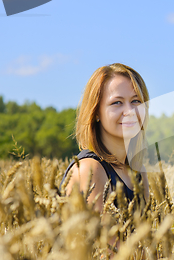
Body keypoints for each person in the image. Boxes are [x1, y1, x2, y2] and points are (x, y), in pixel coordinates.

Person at [60, 62, 150, 213]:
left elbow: (148, 231)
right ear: (96, 113)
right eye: (117, 103)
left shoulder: (138, 171)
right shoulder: (90, 169)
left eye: (136, 101)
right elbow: (104, 237)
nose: (130, 111)